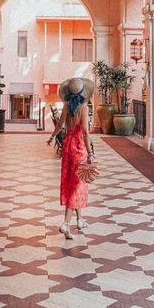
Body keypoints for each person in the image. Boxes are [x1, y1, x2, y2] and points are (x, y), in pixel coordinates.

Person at [47, 77, 95, 239]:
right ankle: (66, 223)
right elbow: (86, 133)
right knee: (77, 185)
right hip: (79, 146)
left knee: (72, 182)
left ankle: (80, 220)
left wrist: (52, 138)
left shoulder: (67, 105)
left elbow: (60, 126)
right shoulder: (84, 107)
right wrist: (91, 153)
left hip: (68, 146)